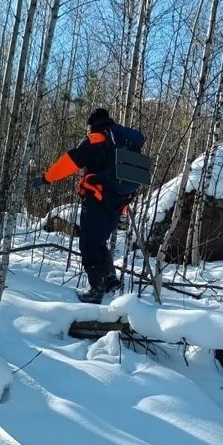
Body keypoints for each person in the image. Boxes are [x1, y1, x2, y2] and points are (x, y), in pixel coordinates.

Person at [32, 108, 144, 303]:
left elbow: (70, 161)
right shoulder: (123, 141)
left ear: (93, 124)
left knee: (89, 245)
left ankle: (96, 290)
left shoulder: (96, 140)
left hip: (97, 201)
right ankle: (109, 280)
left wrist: (46, 178)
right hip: (118, 204)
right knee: (98, 241)